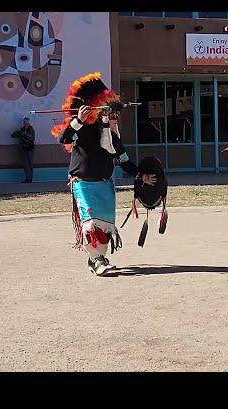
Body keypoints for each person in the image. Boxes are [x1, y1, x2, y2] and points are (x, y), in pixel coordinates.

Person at [51, 72, 156, 276]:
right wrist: (78, 120)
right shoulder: (80, 128)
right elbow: (64, 138)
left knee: (105, 226)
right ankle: (97, 259)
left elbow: (124, 161)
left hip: (105, 185)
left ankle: (98, 258)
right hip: (83, 183)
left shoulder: (111, 135)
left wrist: (141, 176)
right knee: (90, 224)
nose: (109, 115)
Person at [11, 117, 36, 183]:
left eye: (27, 123)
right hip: (23, 148)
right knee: (25, 164)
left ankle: (30, 178)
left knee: (30, 163)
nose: (25, 124)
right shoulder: (21, 130)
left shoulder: (31, 129)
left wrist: (26, 135)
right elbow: (13, 136)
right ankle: (27, 178)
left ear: (29, 123)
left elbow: (32, 138)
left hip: (30, 148)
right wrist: (17, 133)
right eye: (24, 123)